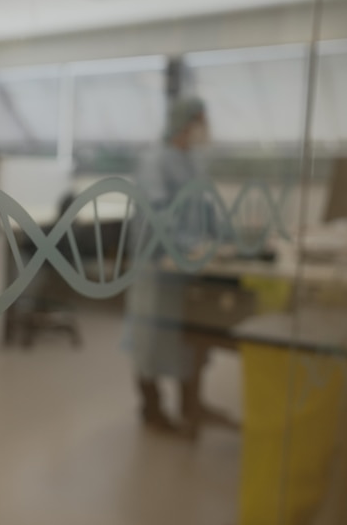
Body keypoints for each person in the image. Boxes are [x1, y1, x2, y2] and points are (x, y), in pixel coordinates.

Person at [123, 95, 232, 438]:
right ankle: (152, 409)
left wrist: (229, 240)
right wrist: (186, 246)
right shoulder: (154, 161)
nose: (204, 130)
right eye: (200, 121)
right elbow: (156, 214)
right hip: (158, 267)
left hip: (189, 269)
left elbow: (207, 208)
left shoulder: (194, 162)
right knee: (150, 342)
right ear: (186, 123)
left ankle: (191, 404)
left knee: (191, 339)